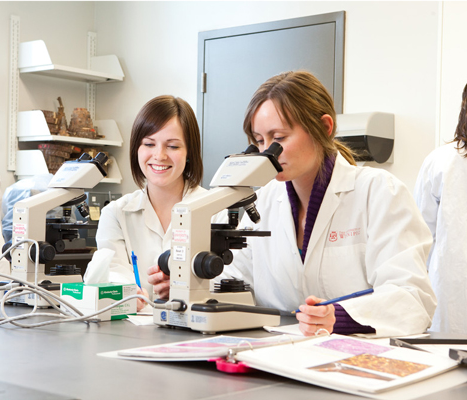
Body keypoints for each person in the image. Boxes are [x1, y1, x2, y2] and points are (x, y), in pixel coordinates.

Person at [149, 71, 436, 337]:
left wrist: (339, 317)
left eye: (279, 138)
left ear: (324, 128)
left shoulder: (378, 192)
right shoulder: (262, 200)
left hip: (356, 361)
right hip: (276, 352)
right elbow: (237, 277)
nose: (267, 153)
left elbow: (412, 298)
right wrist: (185, 284)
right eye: (260, 141)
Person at [95, 95, 225, 311]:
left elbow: (234, 278)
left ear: (189, 152)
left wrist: (188, 287)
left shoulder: (216, 209)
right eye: (149, 143)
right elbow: (111, 271)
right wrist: (128, 293)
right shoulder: (116, 214)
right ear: (137, 148)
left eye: (173, 146)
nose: (159, 155)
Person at [414, 83, 467, 334]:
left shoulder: (440, 160)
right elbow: (419, 239)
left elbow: (419, 237)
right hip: (449, 295)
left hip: (450, 298)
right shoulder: (441, 162)